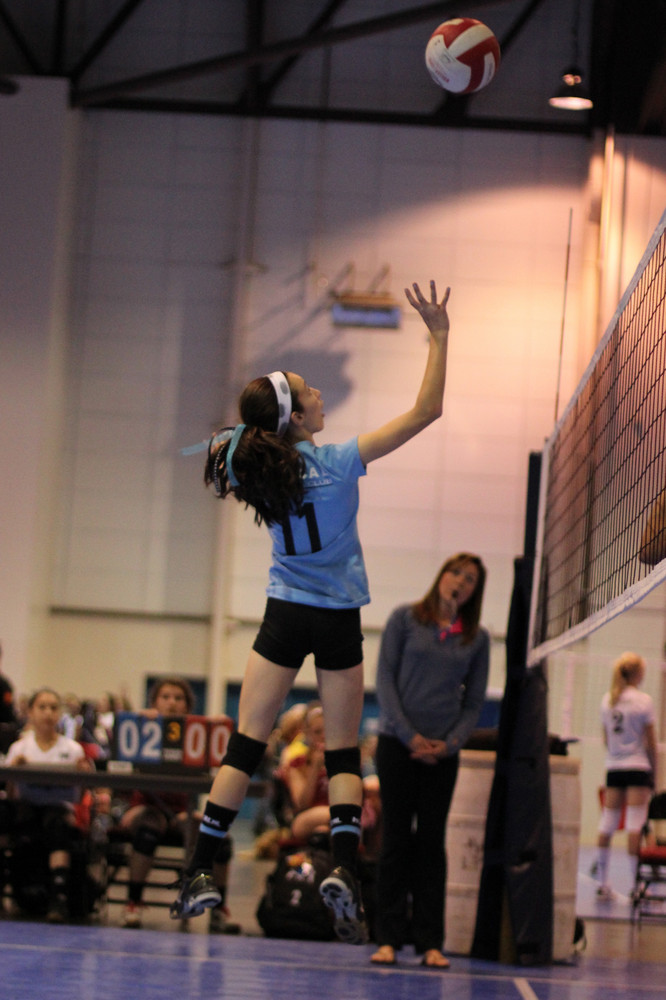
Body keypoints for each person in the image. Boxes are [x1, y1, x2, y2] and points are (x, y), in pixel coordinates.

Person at [170, 278, 451, 945]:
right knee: (345, 753)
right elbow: (427, 411)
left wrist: (251, 422)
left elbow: (230, 440)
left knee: (246, 745)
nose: (321, 393)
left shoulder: (252, 466)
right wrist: (439, 336)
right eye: (309, 390)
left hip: (283, 614)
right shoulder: (340, 462)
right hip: (338, 618)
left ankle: (199, 870)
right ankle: (344, 869)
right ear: (295, 417)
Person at [370, 553, 489, 969]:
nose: (460, 582)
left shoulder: (476, 638)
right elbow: (384, 681)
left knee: (431, 845)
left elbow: (474, 702)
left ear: (475, 592)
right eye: (456, 573)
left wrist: (449, 744)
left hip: (442, 755)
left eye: (470, 579)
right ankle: (387, 939)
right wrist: (409, 736)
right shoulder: (404, 619)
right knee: (395, 840)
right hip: (396, 746)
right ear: (441, 576)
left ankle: (430, 943)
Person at [117, 675, 235, 932]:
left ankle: (219, 909)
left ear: (188, 706)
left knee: (220, 837)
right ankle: (133, 903)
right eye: (166, 697)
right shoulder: (142, 728)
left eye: (178, 698)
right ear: (154, 702)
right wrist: (137, 718)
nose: (172, 703)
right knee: (149, 827)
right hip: (145, 808)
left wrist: (216, 727)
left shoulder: (196, 734)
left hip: (182, 811)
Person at [4, 687, 93, 922]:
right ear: (31, 712)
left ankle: (58, 898)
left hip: (58, 811)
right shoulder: (19, 748)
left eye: (53, 708)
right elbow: (11, 795)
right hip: (25, 810)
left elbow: (80, 796)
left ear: (59, 713)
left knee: (59, 826)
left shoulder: (72, 749)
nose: (48, 713)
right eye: (42, 707)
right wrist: (14, 773)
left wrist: (84, 775)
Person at [593, 651, 657, 901]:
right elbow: (651, 743)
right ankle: (636, 886)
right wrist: (654, 773)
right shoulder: (643, 701)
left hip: (614, 767)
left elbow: (606, 739)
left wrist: (616, 756)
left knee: (607, 823)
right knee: (634, 825)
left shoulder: (607, 700)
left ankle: (602, 883)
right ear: (637, 674)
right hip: (638, 767)